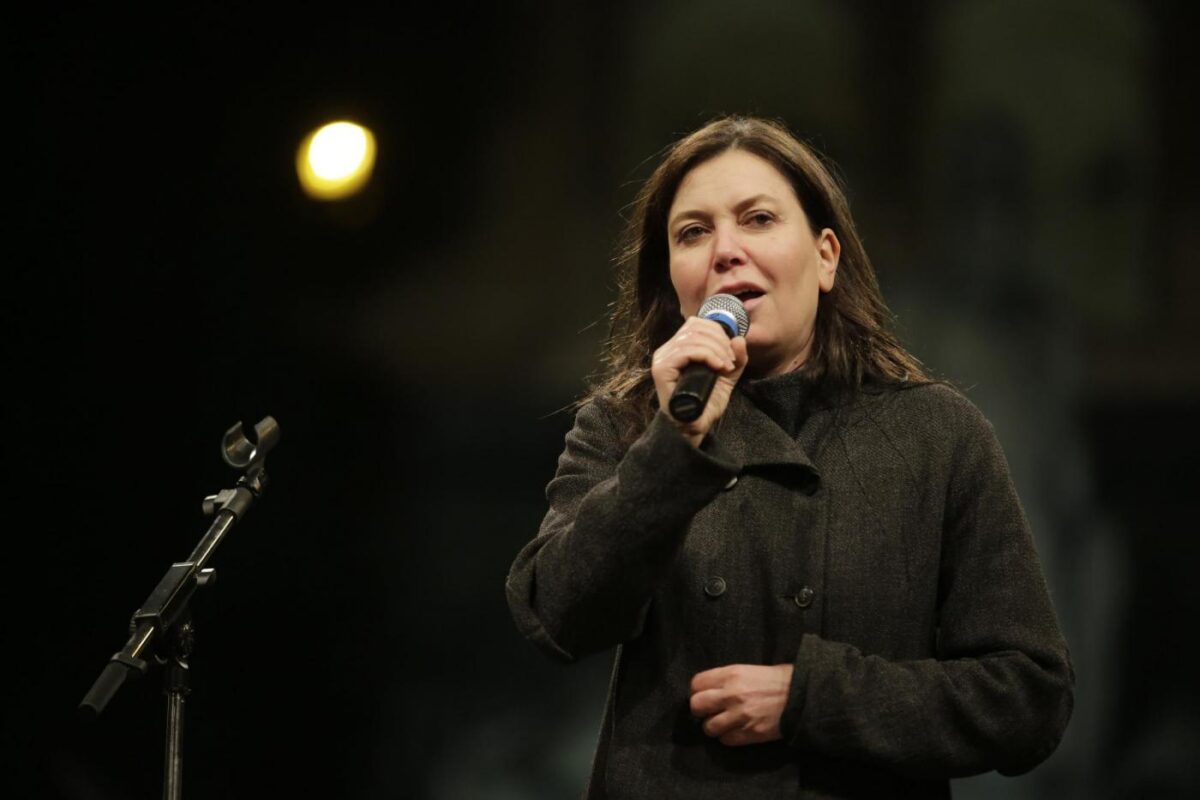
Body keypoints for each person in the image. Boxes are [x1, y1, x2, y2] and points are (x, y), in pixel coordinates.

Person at [505, 115, 1073, 799]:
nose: (725, 251)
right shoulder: (625, 426)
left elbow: (1027, 696)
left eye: (758, 219)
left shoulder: (937, 433)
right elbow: (556, 616)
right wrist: (672, 447)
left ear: (826, 257)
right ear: (674, 281)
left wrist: (814, 697)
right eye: (693, 232)